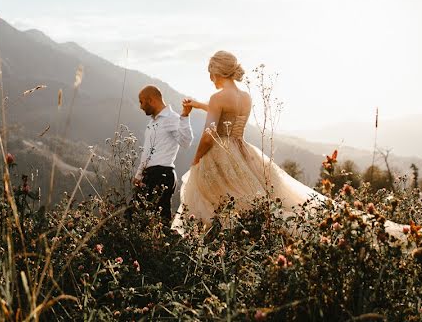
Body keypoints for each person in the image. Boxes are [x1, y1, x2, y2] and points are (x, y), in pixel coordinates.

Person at [173, 50, 406, 240]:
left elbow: (209, 134)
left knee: (218, 200)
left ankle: (213, 248)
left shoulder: (217, 98)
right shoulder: (244, 97)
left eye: (210, 72)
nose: (210, 78)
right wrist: (198, 104)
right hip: (242, 149)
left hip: (221, 153)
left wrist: (196, 159)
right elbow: (227, 114)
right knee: (255, 200)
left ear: (217, 70)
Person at [131, 85, 194, 223]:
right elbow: (148, 151)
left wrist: (185, 116)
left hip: (162, 175)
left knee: (158, 221)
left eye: (142, 102)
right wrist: (139, 174)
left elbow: (185, 142)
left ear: (151, 100)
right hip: (150, 175)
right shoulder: (152, 123)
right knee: (135, 218)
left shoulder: (171, 118)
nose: (140, 106)